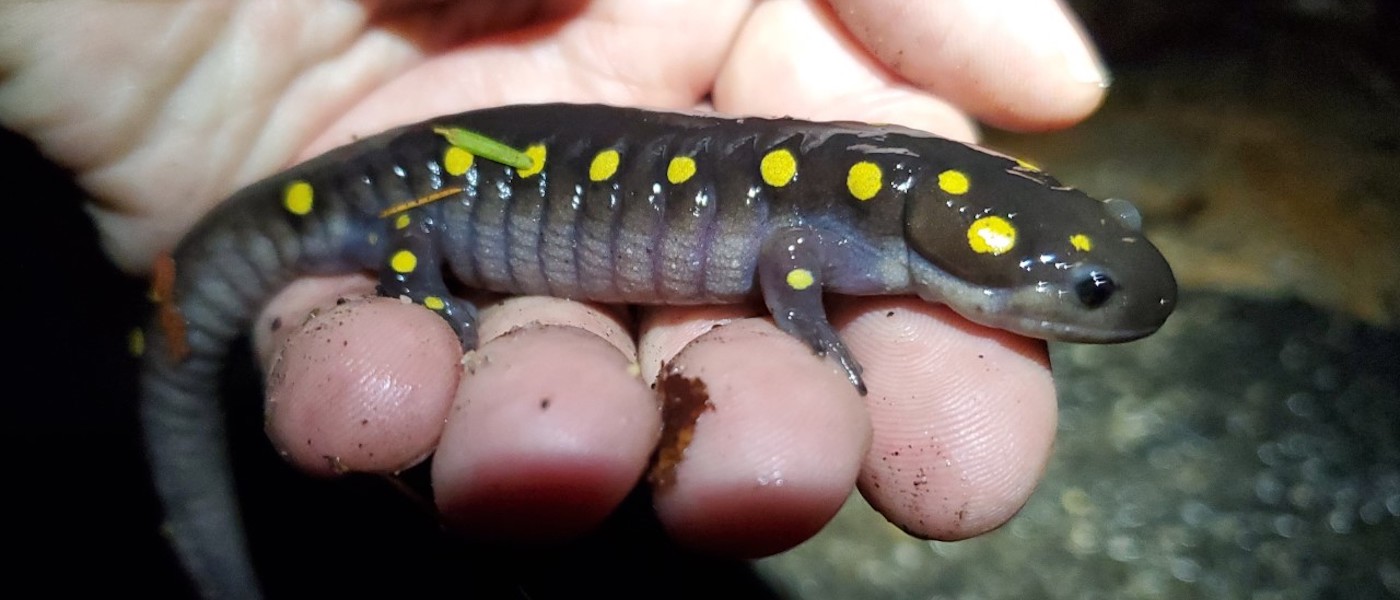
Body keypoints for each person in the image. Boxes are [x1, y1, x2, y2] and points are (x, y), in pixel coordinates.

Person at [1, 0, 1106, 562]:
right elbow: (787, 261)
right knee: (395, 292)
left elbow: (790, 247)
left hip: (428, 170)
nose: (1074, 304)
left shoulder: (883, 211)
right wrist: (813, 332)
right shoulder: (856, 227)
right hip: (397, 194)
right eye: (1075, 289)